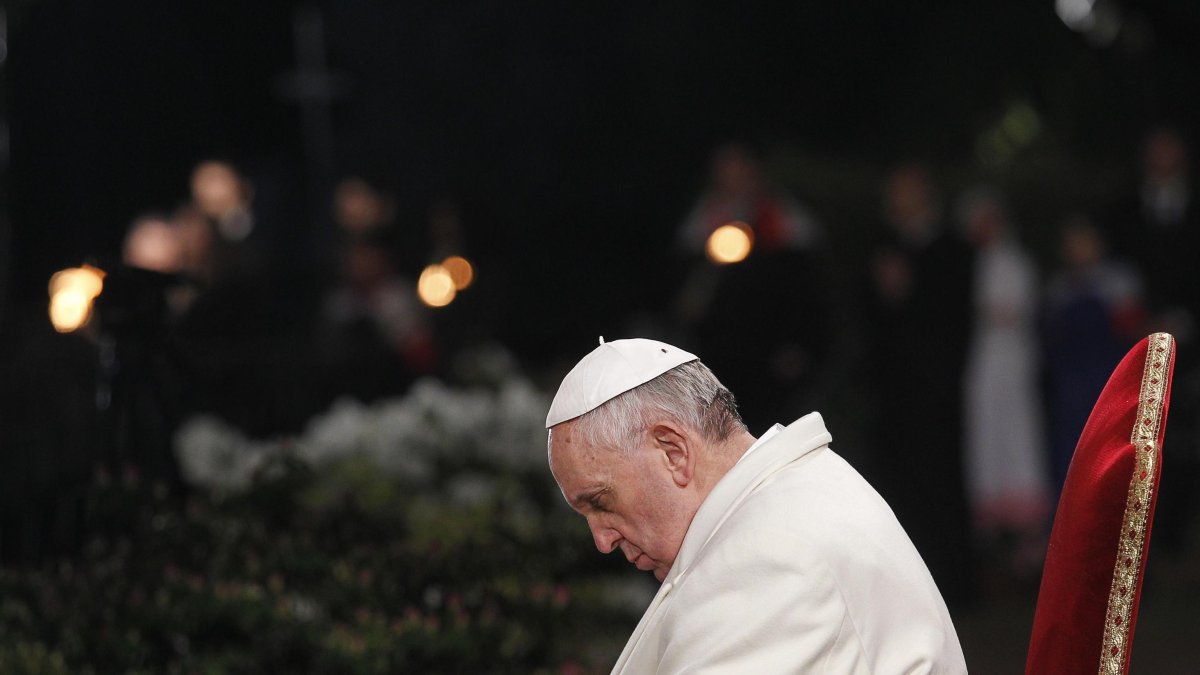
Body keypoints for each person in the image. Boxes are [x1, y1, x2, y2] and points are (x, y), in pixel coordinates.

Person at [545, 338, 967, 674]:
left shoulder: (769, 553)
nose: (601, 540)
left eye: (601, 501)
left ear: (673, 451)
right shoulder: (791, 500)